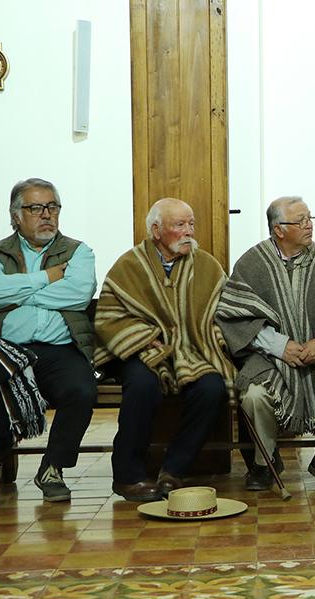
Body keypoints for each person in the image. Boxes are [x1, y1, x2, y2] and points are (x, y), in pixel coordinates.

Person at [0, 178, 97, 514]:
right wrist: (47, 277)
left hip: (59, 350)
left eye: (52, 207)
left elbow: (79, 293)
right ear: (15, 216)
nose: (46, 215)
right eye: (35, 208)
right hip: (4, 349)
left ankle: (52, 469)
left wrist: (17, 290)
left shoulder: (79, 251)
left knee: (82, 388)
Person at [217, 197, 315, 491]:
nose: (308, 226)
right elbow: (235, 314)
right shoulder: (252, 264)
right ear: (279, 229)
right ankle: (265, 462)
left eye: (309, 219)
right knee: (253, 395)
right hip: (270, 356)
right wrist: (281, 346)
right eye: (300, 221)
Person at [95, 198, 235, 502]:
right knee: (143, 385)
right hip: (140, 352)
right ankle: (127, 476)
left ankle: (174, 470)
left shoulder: (207, 266)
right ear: (156, 230)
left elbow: (225, 310)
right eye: (179, 225)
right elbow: (108, 316)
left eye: (191, 224)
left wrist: (208, 338)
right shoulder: (129, 266)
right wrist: (143, 337)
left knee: (212, 387)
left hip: (192, 351)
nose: (189, 232)